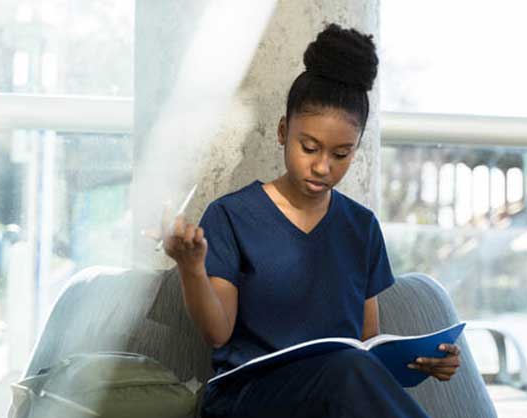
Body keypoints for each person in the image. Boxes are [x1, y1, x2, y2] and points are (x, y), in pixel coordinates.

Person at [163, 24, 461, 418]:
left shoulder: (361, 227)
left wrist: (423, 363)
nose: (323, 167)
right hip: (247, 400)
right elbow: (217, 333)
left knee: (350, 368)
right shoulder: (231, 216)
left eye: (341, 154)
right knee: (346, 370)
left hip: (333, 397)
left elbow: (368, 344)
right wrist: (191, 267)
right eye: (310, 147)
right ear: (283, 132)